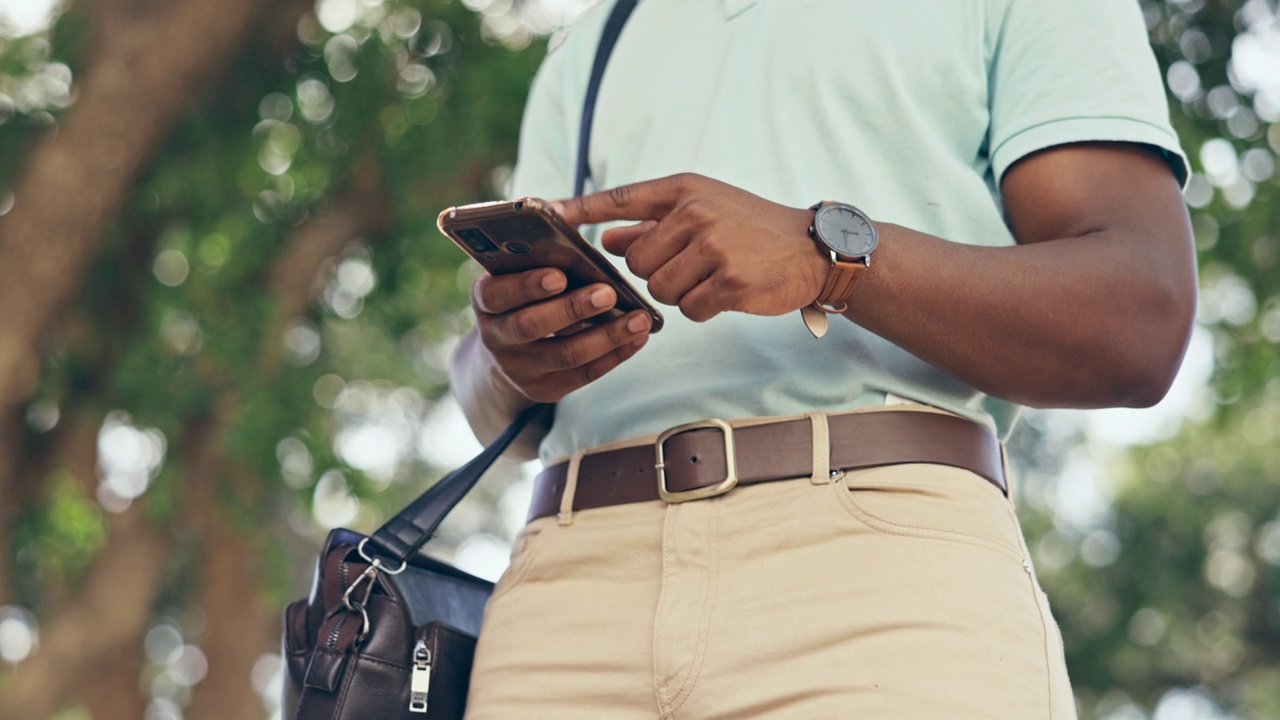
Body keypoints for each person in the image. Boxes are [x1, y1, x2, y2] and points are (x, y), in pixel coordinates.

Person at [450, 0, 1196, 717]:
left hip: (882, 587)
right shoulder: (594, 39)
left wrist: (827, 254)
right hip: (566, 598)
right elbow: (491, 403)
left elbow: (1140, 320)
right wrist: (507, 352)